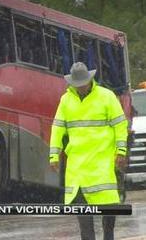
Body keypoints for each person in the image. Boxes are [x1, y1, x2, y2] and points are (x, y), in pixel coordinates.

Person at [49, 62, 128, 240]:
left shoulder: (106, 97)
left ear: (90, 80)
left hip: (102, 166)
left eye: (82, 83)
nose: (80, 87)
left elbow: (120, 125)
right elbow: (58, 128)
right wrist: (54, 154)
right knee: (85, 224)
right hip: (78, 169)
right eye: (76, 85)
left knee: (108, 212)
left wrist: (121, 151)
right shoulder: (66, 100)